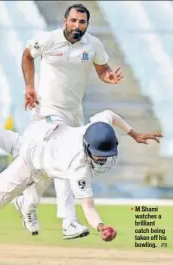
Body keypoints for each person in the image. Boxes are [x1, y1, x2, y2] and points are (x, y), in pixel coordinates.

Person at [0, 109, 162, 256]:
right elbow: (88, 206)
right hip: (33, 162)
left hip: (43, 132)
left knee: (12, 141)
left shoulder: (96, 128)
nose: (101, 159)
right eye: (98, 155)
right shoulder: (79, 167)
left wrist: (133, 133)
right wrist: (101, 226)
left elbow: (110, 114)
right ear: (87, 147)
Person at [15, 3, 124, 237]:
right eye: (73, 20)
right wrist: (29, 88)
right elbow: (26, 56)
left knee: (49, 167)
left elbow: (102, 68)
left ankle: (28, 202)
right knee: (68, 164)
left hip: (74, 112)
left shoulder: (93, 44)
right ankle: (68, 221)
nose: (77, 25)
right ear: (65, 21)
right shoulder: (47, 40)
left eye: (82, 22)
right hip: (48, 111)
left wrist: (109, 76)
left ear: (87, 24)